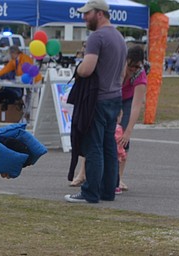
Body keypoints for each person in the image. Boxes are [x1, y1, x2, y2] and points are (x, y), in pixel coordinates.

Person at [64, 0, 127, 203]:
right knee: (109, 146)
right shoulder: (119, 37)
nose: (84, 17)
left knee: (94, 146)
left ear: (99, 14)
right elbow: (123, 72)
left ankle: (90, 192)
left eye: (87, 13)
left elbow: (87, 68)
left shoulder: (97, 37)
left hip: (97, 99)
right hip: (114, 96)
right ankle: (108, 190)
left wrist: (78, 69)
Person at [116, 44, 147, 193]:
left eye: (137, 66)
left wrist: (128, 131)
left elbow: (136, 105)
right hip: (112, 95)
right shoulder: (118, 66)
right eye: (131, 66)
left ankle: (119, 177)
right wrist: (117, 109)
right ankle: (82, 173)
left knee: (122, 138)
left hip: (128, 100)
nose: (133, 69)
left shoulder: (140, 74)